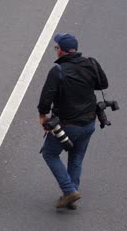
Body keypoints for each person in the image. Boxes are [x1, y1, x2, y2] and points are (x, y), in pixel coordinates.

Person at [38, 33, 108, 209]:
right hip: (89, 124)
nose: (56, 51)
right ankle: (71, 195)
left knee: (50, 153)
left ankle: (69, 191)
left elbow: (46, 98)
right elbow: (103, 84)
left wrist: (43, 116)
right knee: (76, 157)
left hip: (67, 125)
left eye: (56, 48)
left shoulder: (58, 71)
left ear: (61, 51)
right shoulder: (90, 64)